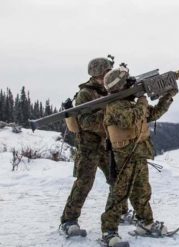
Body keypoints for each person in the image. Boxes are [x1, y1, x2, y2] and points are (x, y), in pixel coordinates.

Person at [100, 66, 177, 246]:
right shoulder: (114, 106)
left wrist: (168, 96)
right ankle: (108, 232)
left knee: (142, 191)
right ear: (120, 86)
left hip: (139, 154)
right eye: (128, 82)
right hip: (124, 156)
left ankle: (146, 223)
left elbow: (154, 113)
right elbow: (130, 119)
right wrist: (142, 99)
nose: (131, 83)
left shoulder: (131, 104)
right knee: (119, 193)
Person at [60, 57, 113, 236]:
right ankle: (68, 220)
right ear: (98, 73)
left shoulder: (109, 89)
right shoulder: (85, 94)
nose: (109, 74)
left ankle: (119, 212)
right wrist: (108, 113)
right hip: (88, 146)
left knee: (117, 179)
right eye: (107, 71)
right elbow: (85, 121)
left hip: (105, 144)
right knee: (84, 182)